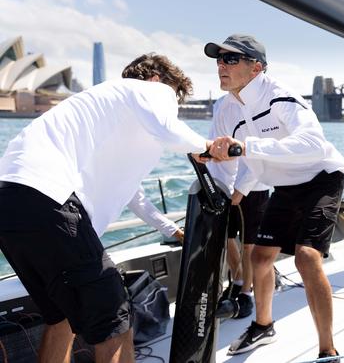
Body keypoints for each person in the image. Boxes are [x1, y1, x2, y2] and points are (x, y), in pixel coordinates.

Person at [0, 54, 212, 363]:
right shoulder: (150, 90)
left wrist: (171, 230)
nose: (173, 105)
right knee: (115, 314)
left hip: (9, 201)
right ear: (156, 82)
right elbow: (169, 130)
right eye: (174, 97)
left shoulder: (104, 116)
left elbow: (134, 196)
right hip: (47, 195)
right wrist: (206, 146)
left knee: (60, 317)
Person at [204, 34, 344, 361]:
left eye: (230, 59)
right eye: (218, 59)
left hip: (321, 176)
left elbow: (313, 144)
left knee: (307, 257)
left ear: (256, 67)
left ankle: (328, 349)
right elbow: (222, 157)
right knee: (259, 258)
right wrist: (228, 194)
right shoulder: (225, 109)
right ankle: (263, 325)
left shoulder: (280, 97)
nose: (220, 66)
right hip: (284, 185)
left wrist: (245, 148)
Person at [207, 95, 271, 320]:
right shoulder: (221, 105)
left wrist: (241, 190)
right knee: (225, 237)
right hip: (224, 185)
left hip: (253, 188)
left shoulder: (259, 106)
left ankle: (246, 294)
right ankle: (239, 279)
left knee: (248, 245)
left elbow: (261, 154)